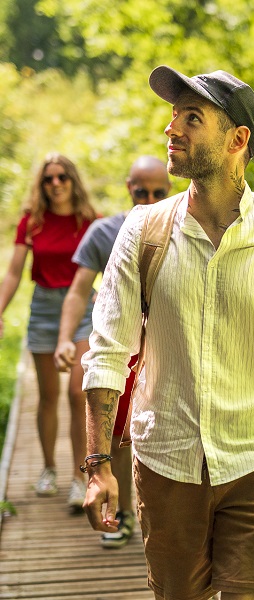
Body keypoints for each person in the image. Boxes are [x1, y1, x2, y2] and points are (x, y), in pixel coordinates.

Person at [81, 66, 254, 600]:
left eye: (192, 118)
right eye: (174, 115)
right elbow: (106, 353)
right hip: (167, 465)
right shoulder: (143, 231)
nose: (171, 128)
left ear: (237, 140)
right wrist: (98, 466)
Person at [54, 156, 171, 548]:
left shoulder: (186, 227)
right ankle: (121, 514)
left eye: (158, 193)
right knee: (118, 431)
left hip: (167, 344)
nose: (149, 200)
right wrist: (65, 338)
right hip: (124, 344)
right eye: (142, 192)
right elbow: (78, 290)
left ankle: (160, 515)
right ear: (128, 188)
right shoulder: (104, 233)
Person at [0, 153, 97, 510]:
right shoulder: (32, 222)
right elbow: (14, 272)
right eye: (48, 179)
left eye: (61, 177)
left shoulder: (89, 220)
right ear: (41, 185)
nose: (55, 184)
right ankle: (48, 468)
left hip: (82, 309)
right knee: (47, 397)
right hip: (43, 309)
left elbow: (113, 266)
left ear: (72, 180)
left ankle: (79, 477)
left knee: (77, 393)